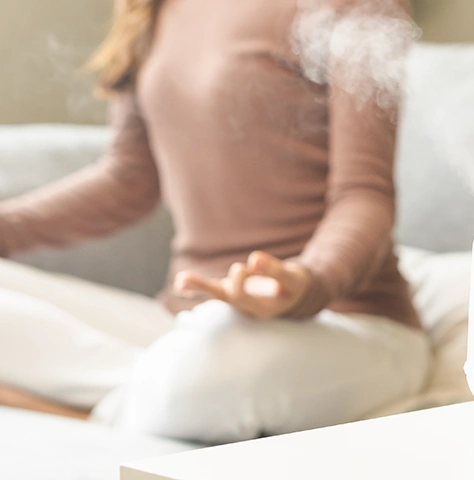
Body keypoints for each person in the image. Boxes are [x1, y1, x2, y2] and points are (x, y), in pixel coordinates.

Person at [0, 0, 429, 444]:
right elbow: (129, 180)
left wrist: (304, 282)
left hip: (343, 323)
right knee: (193, 355)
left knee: (198, 371)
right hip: (181, 323)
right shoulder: (150, 7)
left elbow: (364, 195)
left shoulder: (357, 6)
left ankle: (86, 404)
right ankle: (145, 395)